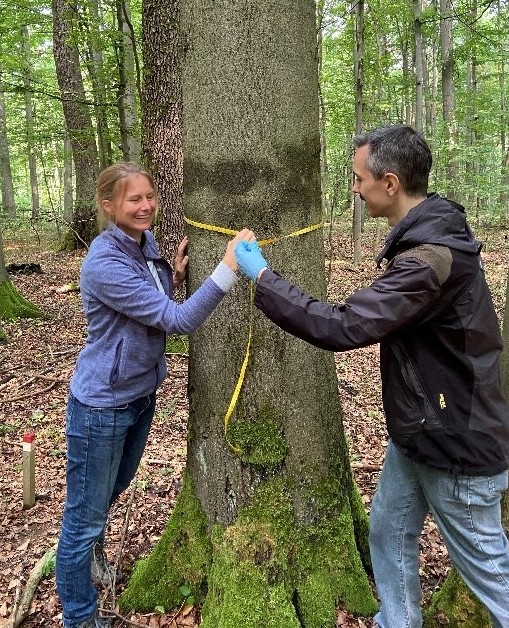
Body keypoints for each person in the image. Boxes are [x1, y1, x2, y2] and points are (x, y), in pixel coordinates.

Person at [234, 125, 509, 628]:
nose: (354, 190)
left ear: (389, 183)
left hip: (457, 443)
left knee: (491, 572)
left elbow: (343, 325)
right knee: (387, 529)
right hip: (422, 433)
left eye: (359, 180)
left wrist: (265, 278)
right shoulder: (429, 237)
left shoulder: (429, 260)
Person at [56, 162, 254, 628]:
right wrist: (227, 268)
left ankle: (89, 550)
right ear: (108, 206)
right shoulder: (104, 260)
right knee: (82, 520)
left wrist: (175, 278)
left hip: (140, 394)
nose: (146, 207)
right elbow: (178, 322)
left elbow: (152, 302)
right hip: (103, 404)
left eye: (150, 196)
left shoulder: (145, 244)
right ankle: (80, 617)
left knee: (112, 490)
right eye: (133, 200)